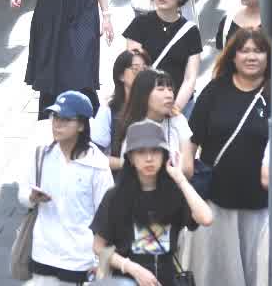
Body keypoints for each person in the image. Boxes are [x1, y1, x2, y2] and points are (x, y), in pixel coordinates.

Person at [187, 27, 272, 286]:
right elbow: (191, 141)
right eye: (244, 51)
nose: (251, 57)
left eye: (259, 51)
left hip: (261, 206)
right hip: (216, 202)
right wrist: (189, 185)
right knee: (216, 275)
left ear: (269, 57)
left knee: (257, 275)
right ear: (233, 56)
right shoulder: (215, 90)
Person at [93, 119, 218, 286]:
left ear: (164, 155)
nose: (149, 158)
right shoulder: (115, 196)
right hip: (125, 280)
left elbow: (206, 218)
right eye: (141, 152)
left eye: (155, 151)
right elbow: (98, 246)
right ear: (131, 157)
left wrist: (180, 178)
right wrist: (131, 267)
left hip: (166, 279)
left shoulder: (175, 193)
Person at [21, 90, 114, 282]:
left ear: (81, 125)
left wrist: (102, 264)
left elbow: (107, 216)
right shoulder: (41, 155)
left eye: (65, 119)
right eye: (55, 117)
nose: (57, 124)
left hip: (80, 259)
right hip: (43, 254)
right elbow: (23, 194)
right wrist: (31, 197)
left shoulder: (97, 165)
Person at [123, 0, 203, 104]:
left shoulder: (191, 31)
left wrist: (176, 108)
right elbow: (134, 69)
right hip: (146, 102)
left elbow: (190, 78)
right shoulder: (139, 24)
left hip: (179, 103)